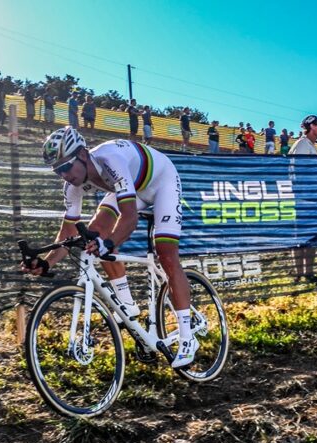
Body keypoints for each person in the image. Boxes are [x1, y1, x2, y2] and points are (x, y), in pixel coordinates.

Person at [22, 127, 199, 367]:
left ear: (83, 154)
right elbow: (68, 232)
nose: (64, 175)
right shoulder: (72, 186)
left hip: (161, 184)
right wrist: (46, 262)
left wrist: (110, 243)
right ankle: (127, 304)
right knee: (95, 235)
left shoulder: (111, 160)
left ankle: (187, 337)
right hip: (130, 189)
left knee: (166, 254)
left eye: (65, 167)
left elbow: (129, 218)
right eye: (57, 171)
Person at [288, 114, 317, 283]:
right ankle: (298, 273)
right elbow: (298, 172)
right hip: (303, 199)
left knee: (312, 237)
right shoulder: (302, 144)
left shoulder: (309, 145)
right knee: (300, 237)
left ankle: (308, 273)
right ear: (311, 126)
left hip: (311, 198)